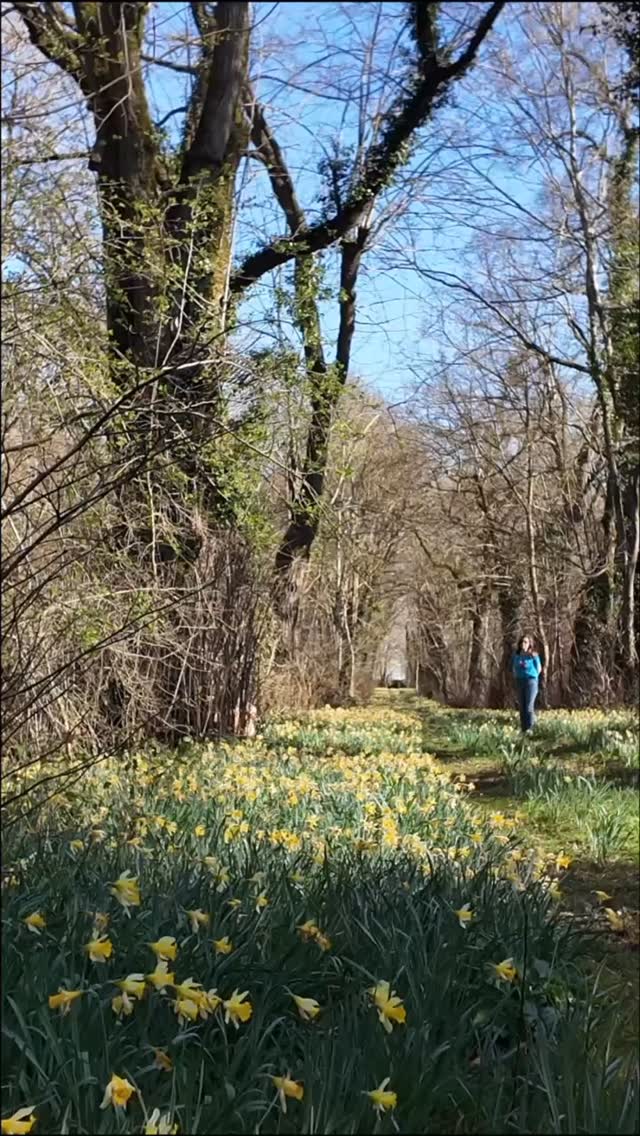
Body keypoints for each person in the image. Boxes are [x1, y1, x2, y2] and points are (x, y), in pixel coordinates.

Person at [512, 634, 542, 733]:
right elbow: (514, 668)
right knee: (522, 706)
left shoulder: (533, 656)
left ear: (529, 644)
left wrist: (533, 676)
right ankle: (523, 729)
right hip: (520, 681)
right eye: (522, 642)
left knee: (529, 706)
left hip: (531, 682)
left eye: (525, 642)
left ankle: (530, 728)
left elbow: (539, 669)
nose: (523, 644)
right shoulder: (517, 655)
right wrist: (516, 676)